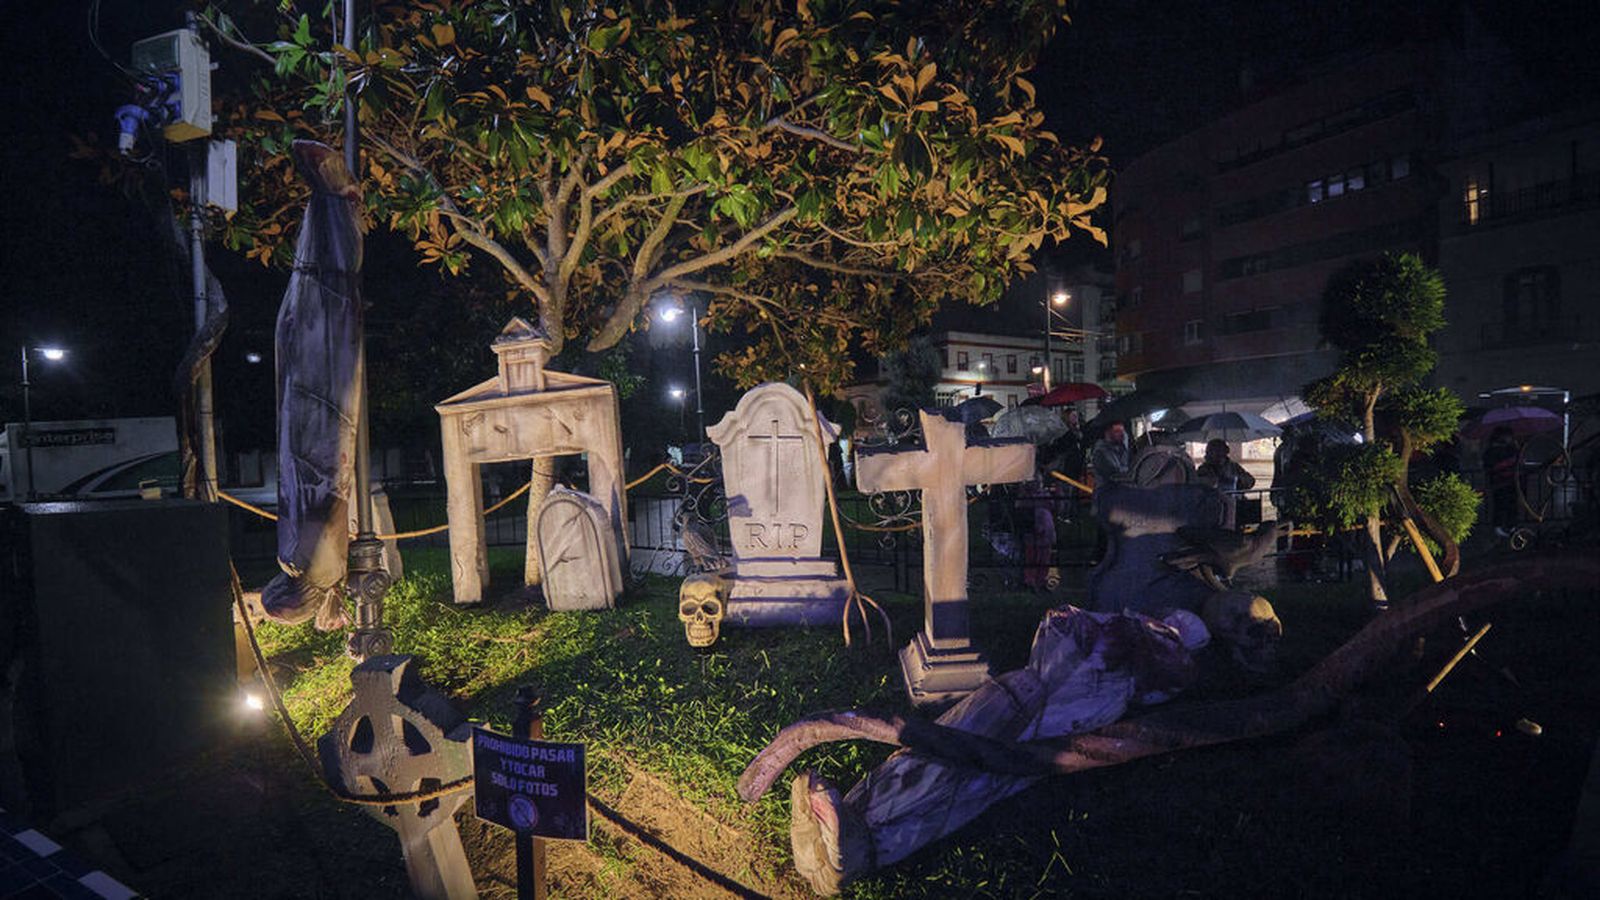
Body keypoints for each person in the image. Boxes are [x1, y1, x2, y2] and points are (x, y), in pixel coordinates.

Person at [1196, 438, 1256, 529]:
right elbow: (1199, 487)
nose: (1217, 455)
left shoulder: (1233, 466)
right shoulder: (1204, 469)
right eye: (1214, 451)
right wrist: (1211, 482)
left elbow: (1250, 481)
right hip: (1214, 507)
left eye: (1220, 451)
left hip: (1236, 504)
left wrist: (1239, 481)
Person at [1482, 426, 1520, 537]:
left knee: (1510, 504)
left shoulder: (1510, 449)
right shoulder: (1494, 451)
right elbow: (1490, 466)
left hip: (1509, 482)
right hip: (1501, 483)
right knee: (1501, 504)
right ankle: (1500, 526)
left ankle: (1509, 526)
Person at [1090, 420, 1131, 486]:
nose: (1121, 434)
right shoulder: (1100, 452)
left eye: (1122, 431)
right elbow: (1112, 474)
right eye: (1117, 431)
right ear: (1108, 433)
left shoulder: (1122, 449)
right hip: (1106, 489)